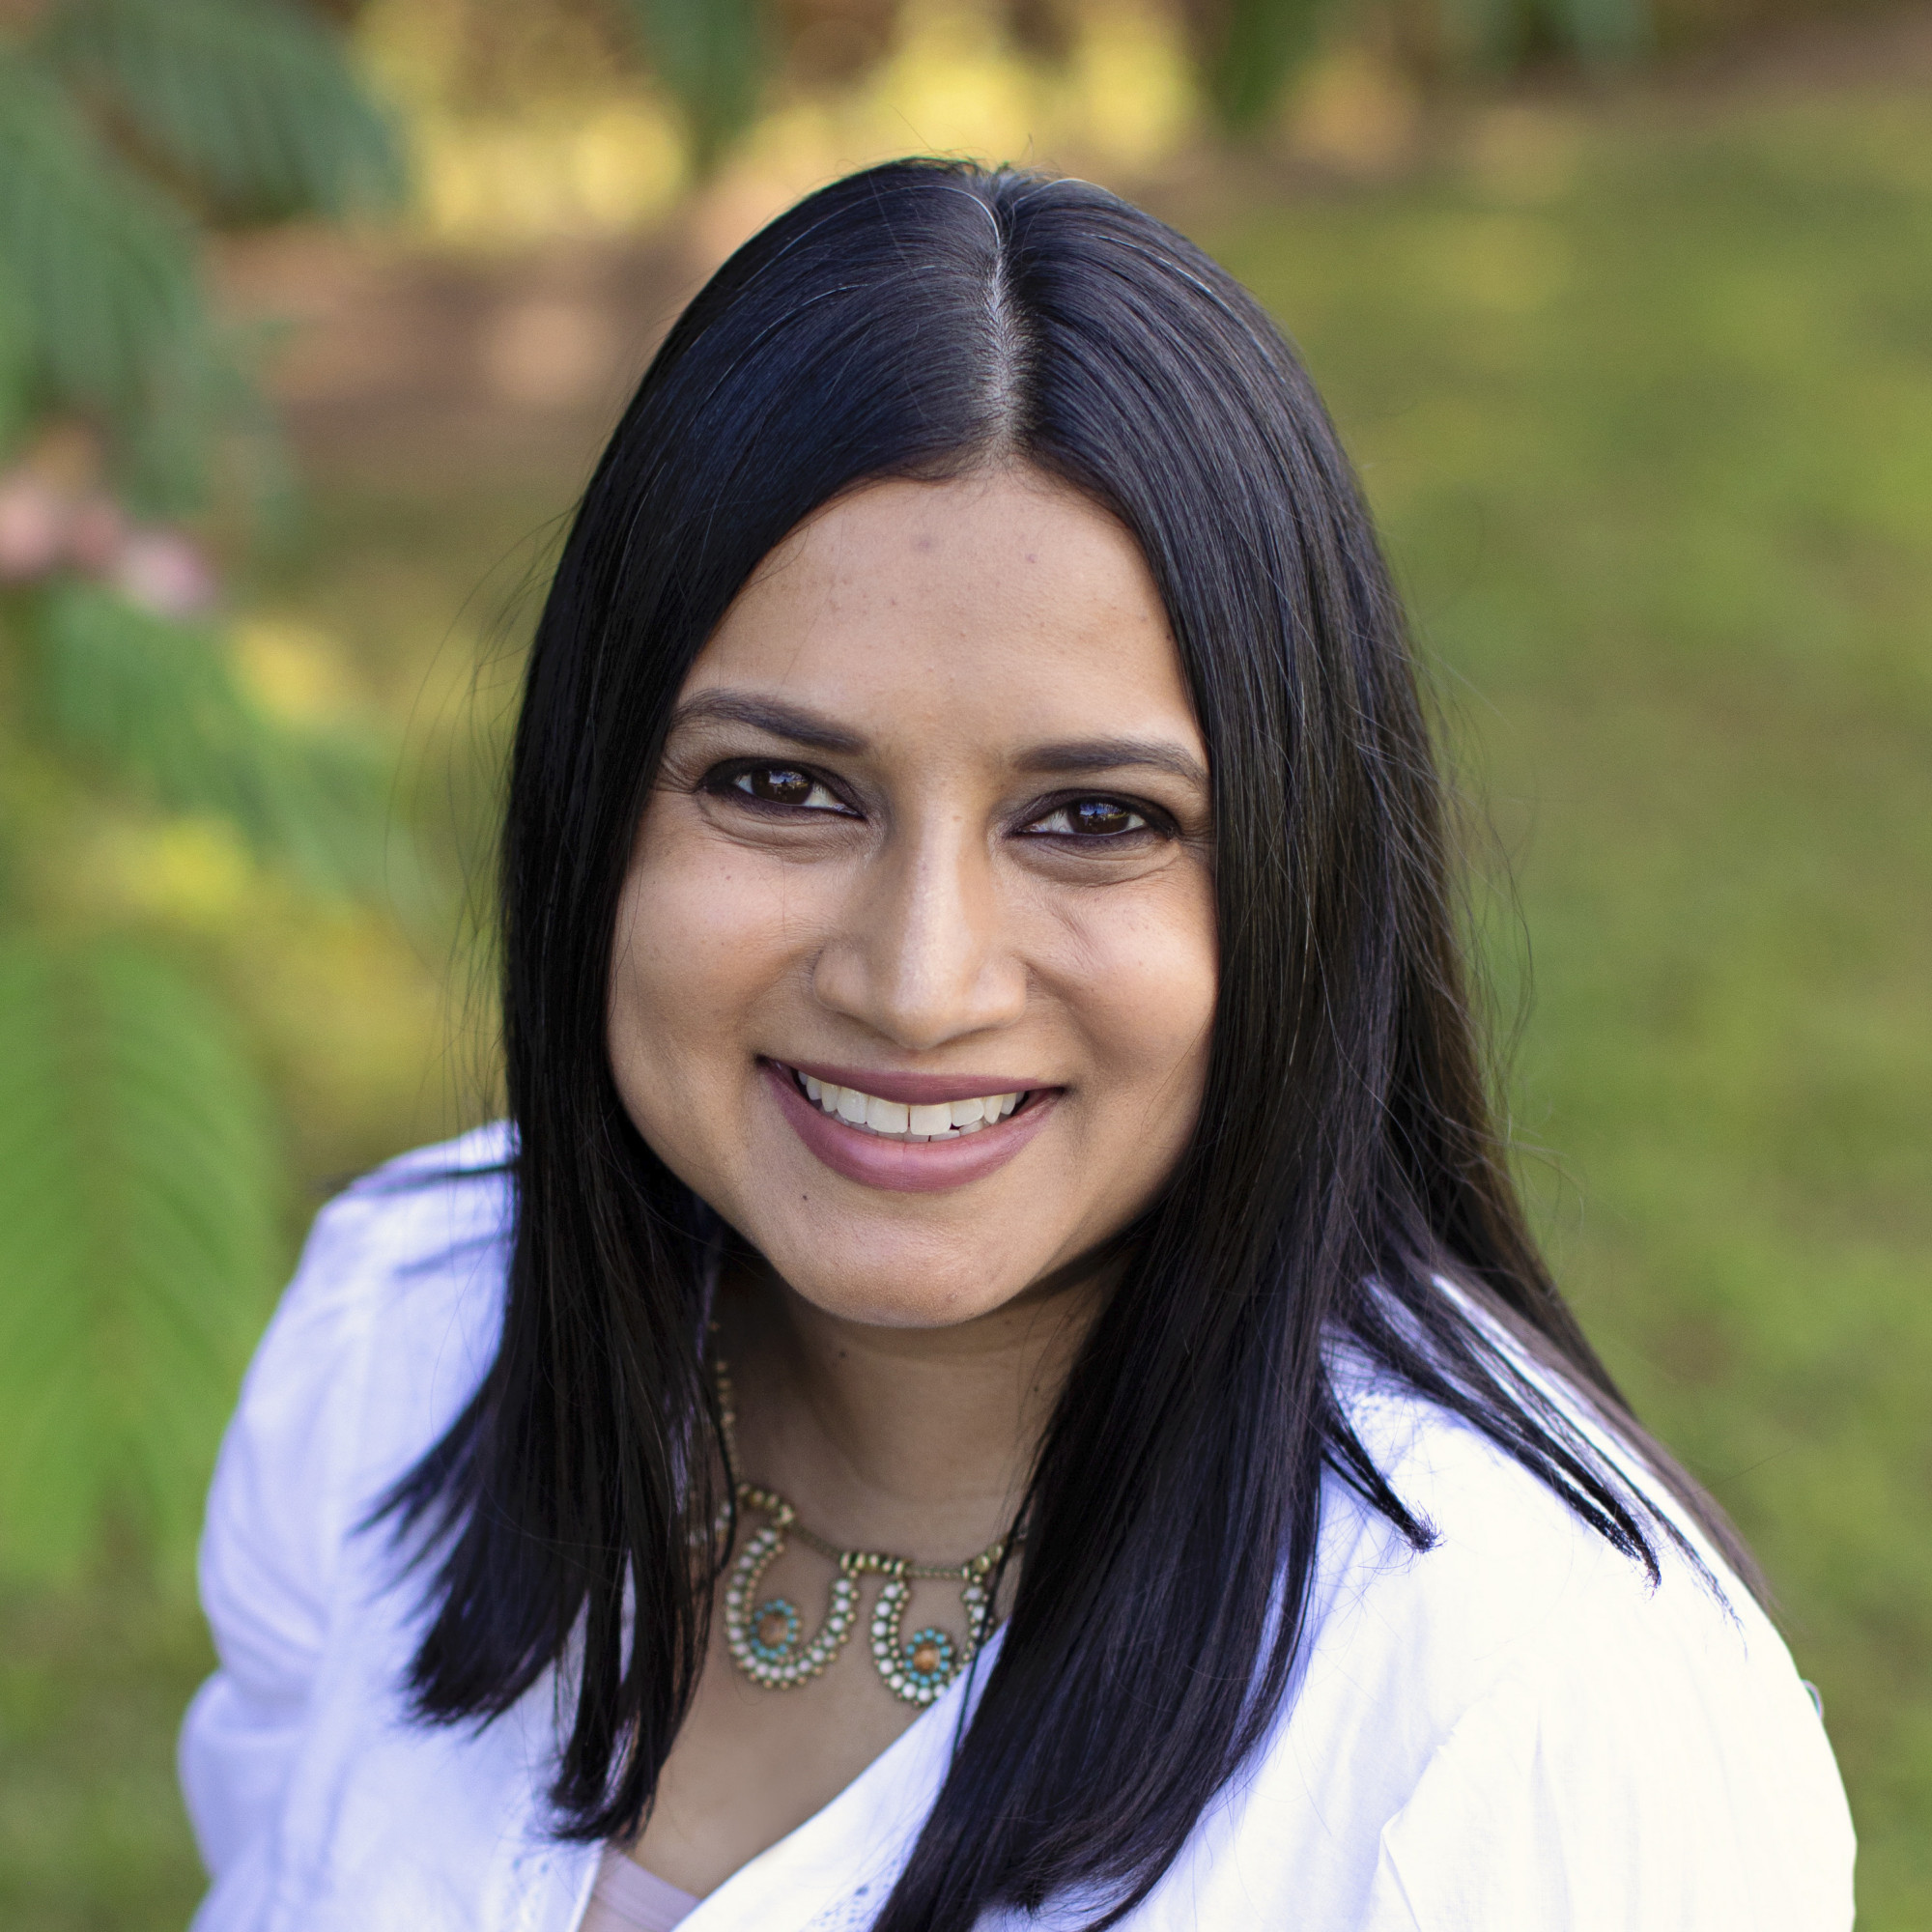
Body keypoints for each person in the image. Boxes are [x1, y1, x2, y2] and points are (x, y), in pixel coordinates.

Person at [178, 159, 1855, 1932]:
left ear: (1304, 878)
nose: (919, 983)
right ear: (594, 809)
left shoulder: (1533, 1719)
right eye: (779, 786)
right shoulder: (399, 1337)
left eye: (1094, 817)